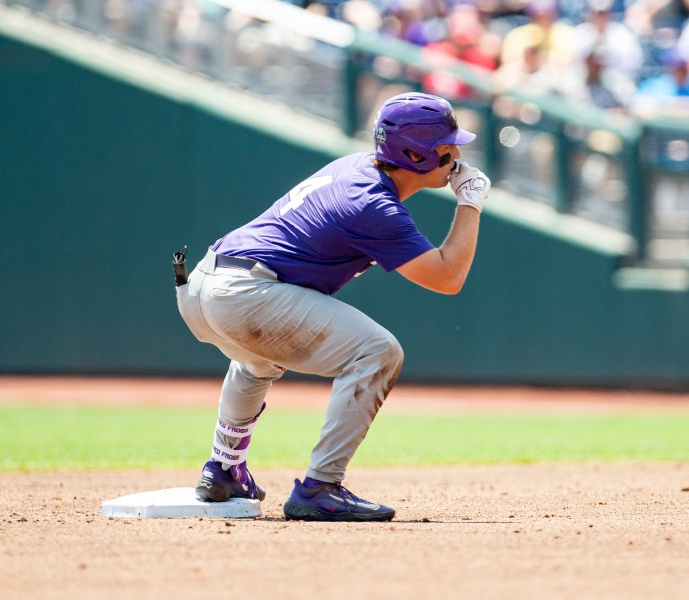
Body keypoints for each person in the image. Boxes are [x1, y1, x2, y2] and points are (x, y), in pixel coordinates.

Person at [175, 92, 490, 522]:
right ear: (415, 154)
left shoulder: (356, 169)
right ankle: (320, 487)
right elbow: (447, 277)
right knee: (378, 352)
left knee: (259, 362)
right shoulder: (373, 206)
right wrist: (470, 203)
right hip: (245, 293)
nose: (457, 153)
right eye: (446, 146)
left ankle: (224, 467)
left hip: (203, 286)